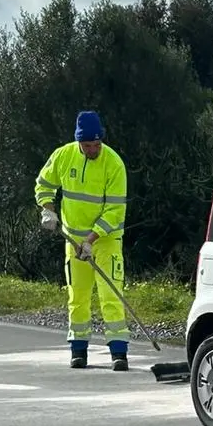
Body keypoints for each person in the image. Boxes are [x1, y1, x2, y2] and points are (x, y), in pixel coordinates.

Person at [35, 111, 131, 371]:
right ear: (79, 142)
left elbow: (115, 211)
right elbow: (43, 184)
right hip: (72, 240)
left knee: (111, 294)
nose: (93, 149)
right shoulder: (63, 156)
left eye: (97, 144)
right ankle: (79, 351)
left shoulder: (114, 164)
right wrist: (48, 209)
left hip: (105, 240)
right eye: (88, 145)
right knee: (78, 296)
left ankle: (118, 353)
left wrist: (91, 240)